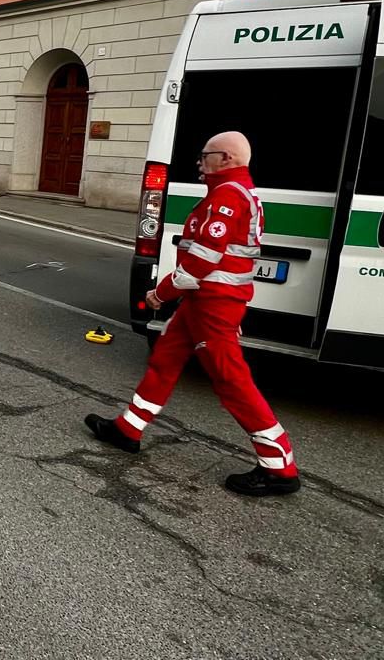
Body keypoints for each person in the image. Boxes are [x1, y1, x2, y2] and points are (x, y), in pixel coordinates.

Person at [84, 131, 301, 497]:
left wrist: (160, 293)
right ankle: (128, 429)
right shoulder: (230, 193)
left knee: (232, 382)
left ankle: (279, 466)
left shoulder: (228, 196)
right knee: (164, 361)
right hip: (206, 302)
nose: (200, 163)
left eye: (205, 156)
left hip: (213, 304)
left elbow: (203, 258)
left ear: (226, 158)